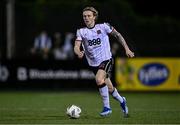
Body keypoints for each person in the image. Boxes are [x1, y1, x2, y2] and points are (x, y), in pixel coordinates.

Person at [74, 7, 135, 117]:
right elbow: (76, 46)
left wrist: (127, 48)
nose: (86, 18)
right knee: (110, 88)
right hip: (93, 64)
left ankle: (107, 108)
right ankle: (122, 101)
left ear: (94, 17)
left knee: (98, 79)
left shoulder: (103, 27)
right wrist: (78, 52)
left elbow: (118, 35)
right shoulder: (81, 31)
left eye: (88, 15)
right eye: (84, 16)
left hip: (106, 59)